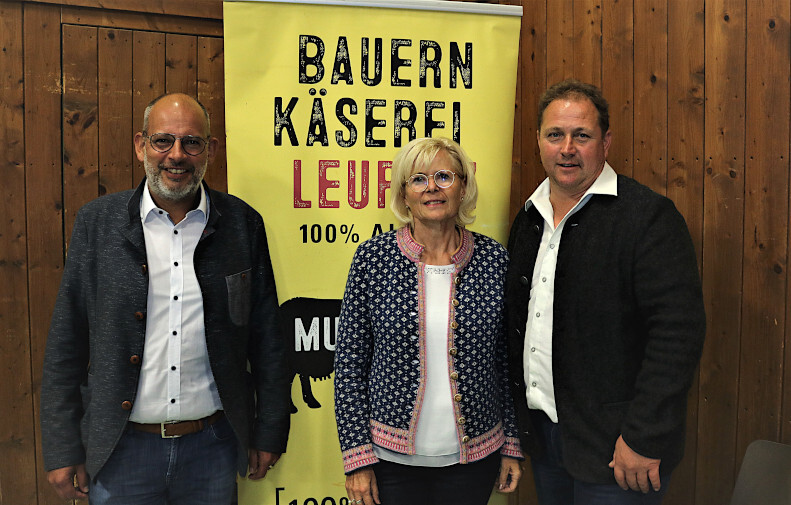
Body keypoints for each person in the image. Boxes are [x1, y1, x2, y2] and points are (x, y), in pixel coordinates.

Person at [40, 93, 291, 504]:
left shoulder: (242, 225)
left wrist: (269, 432)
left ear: (210, 150)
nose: (176, 155)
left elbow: (269, 342)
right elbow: (66, 344)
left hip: (213, 450)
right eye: (163, 141)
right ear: (141, 145)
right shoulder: (97, 224)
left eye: (191, 142)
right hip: (120, 452)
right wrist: (62, 449)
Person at [505, 79, 706, 505]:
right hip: (546, 441)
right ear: (538, 140)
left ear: (606, 142)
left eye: (582, 135)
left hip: (621, 450)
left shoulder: (648, 218)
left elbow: (677, 336)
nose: (567, 149)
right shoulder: (528, 219)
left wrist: (644, 437)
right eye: (555, 135)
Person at [334, 137, 523, 505]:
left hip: (475, 460)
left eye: (444, 177)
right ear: (404, 194)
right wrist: (357, 458)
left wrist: (512, 443)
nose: (432, 187)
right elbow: (349, 366)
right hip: (390, 464)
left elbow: (506, 361)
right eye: (418, 179)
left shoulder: (493, 260)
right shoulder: (373, 259)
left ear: (463, 188)